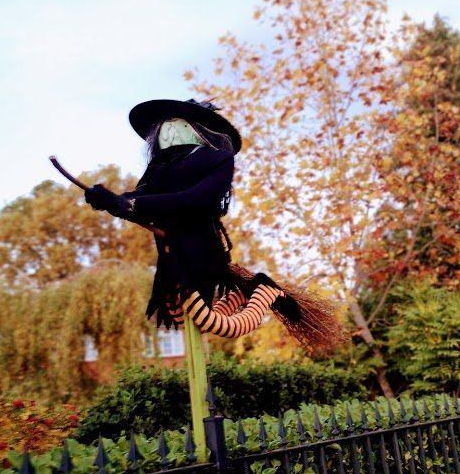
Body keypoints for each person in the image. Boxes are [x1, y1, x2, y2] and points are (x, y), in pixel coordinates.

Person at [85, 98, 342, 351]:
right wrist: (112, 201)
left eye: (178, 122)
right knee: (180, 315)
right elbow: (140, 201)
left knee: (211, 321)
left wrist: (131, 205)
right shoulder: (157, 168)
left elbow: (196, 199)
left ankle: (265, 290)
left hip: (201, 251)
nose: (170, 128)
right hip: (172, 254)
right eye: (166, 123)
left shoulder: (217, 158)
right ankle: (249, 289)